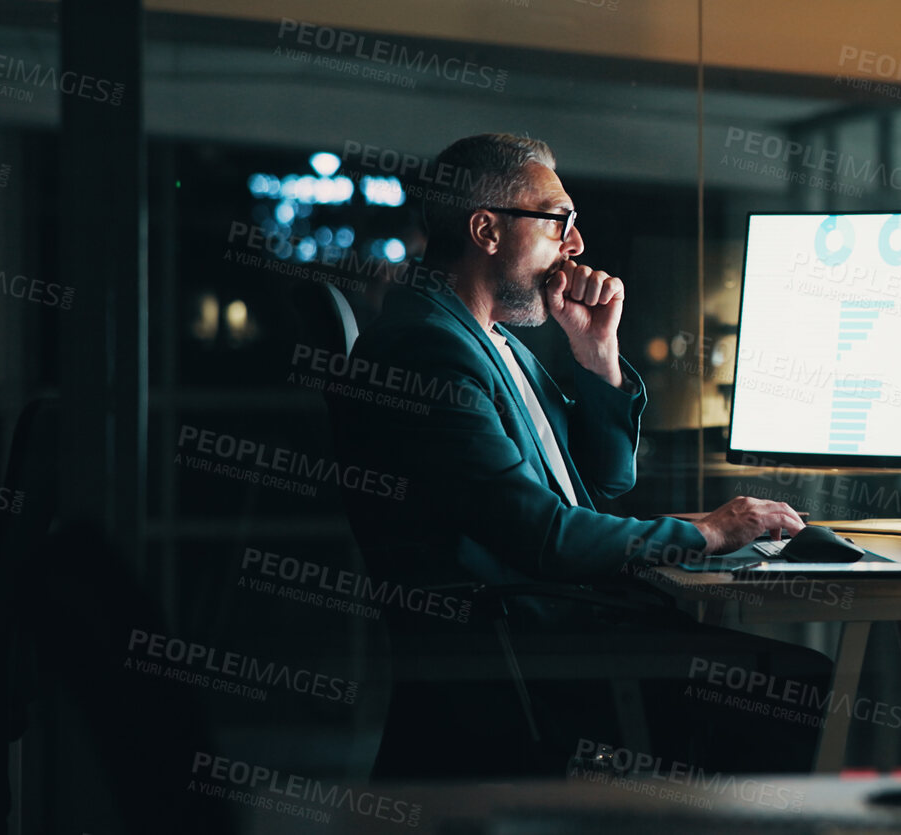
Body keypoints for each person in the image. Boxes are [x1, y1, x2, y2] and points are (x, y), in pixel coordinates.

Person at [327, 132, 826, 777]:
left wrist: (598, 357)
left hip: (550, 623)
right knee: (790, 683)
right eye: (559, 221)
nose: (577, 245)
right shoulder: (430, 350)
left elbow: (605, 480)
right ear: (487, 230)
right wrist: (709, 530)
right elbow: (546, 537)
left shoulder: (490, 341)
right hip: (532, 648)